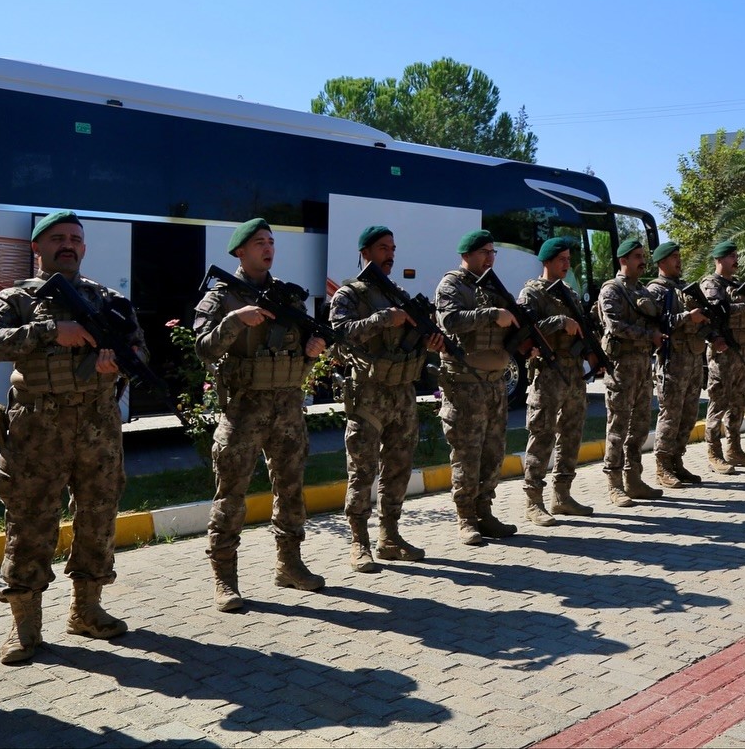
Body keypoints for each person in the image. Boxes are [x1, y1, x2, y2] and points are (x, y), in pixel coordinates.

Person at [0, 211, 142, 664]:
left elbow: (137, 349)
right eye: (57, 238)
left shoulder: (109, 299)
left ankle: (86, 611)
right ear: (37, 247)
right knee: (30, 521)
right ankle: (24, 628)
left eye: (75, 239)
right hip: (37, 428)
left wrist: (115, 364)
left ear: (84, 249)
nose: (68, 245)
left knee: (99, 515)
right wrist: (51, 331)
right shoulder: (14, 299)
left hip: (98, 424)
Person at [195, 218, 327, 611]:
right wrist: (235, 321)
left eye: (271, 242)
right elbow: (203, 349)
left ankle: (289, 565)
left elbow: (301, 349)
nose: (268, 248)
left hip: (287, 408)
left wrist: (313, 349)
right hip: (243, 411)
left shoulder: (288, 298)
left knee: (290, 491)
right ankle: (225, 580)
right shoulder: (220, 298)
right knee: (231, 495)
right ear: (240, 251)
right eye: (258, 243)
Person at [328, 226, 439, 572]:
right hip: (368, 395)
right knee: (362, 470)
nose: (390, 254)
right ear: (365, 252)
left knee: (399, 468)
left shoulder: (400, 293)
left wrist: (428, 342)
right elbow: (338, 334)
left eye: (393, 248)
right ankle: (359, 542)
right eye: (382, 248)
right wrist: (381, 319)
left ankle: (389, 537)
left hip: (402, 394)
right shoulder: (349, 294)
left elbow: (412, 336)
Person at [434, 229, 520, 545]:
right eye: (485, 252)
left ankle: (485, 512)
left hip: (495, 385)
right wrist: (491, 314)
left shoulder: (492, 287)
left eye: (493, 252)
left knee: (493, 453)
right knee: (467, 455)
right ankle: (465, 519)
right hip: (465, 385)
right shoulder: (452, 285)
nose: (490, 257)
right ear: (467, 254)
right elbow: (450, 321)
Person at [517, 237, 596, 525]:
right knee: (542, 434)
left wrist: (592, 352)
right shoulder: (532, 293)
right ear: (547, 261)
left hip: (573, 371)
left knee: (572, 433)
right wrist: (559, 322)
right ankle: (533, 501)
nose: (567, 264)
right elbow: (525, 332)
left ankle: (562, 496)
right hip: (548, 373)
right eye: (562, 259)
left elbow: (583, 328)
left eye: (568, 259)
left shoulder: (570, 295)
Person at [596, 238, 663, 507]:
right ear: (623, 260)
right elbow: (615, 327)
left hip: (642, 368)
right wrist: (650, 336)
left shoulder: (641, 289)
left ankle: (633, 479)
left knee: (639, 428)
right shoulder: (611, 291)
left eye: (643, 256)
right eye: (637, 256)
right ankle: (614, 485)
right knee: (618, 429)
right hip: (621, 369)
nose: (642, 261)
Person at [646, 241, 710, 489]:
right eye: (674, 257)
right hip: (673, 361)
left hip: (693, 358)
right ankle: (662, 466)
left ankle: (676, 461)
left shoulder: (685, 288)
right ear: (661, 262)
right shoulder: (656, 290)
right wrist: (687, 317)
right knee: (670, 415)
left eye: (679, 256)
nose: (679, 261)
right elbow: (656, 324)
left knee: (689, 414)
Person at [698, 241, 745, 474]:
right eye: (731, 257)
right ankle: (714, 453)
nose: (736, 260)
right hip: (724, 353)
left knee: (738, 403)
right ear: (719, 259)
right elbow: (716, 310)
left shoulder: (737, 285)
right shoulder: (711, 284)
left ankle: (734, 449)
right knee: (719, 403)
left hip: (742, 352)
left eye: (736, 256)